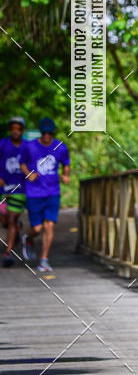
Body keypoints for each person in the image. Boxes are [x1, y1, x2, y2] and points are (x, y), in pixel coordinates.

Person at [20, 117, 70, 273]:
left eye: (49, 133)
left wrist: (66, 175)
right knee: (37, 228)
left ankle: (44, 259)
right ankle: (28, 238)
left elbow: (66, 164)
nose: (47, 135)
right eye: (44, 133)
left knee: (49, 225)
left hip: (52, 192)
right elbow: (22, 162)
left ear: (53, 132)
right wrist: (29, 174)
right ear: (41, 133)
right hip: (34, 193)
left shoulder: (60, 147)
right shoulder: (30, 146)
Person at [0, 116, 29, 267]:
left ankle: (8, 253)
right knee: (4, 221)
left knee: (11, 219)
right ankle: (16, 228)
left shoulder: (28, 146)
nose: (15, 131)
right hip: (2, 189)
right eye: (13, 128)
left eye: (18, 129)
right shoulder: (2, 144)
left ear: (23, 130)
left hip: (20, 190)